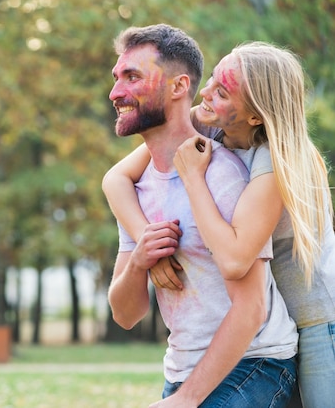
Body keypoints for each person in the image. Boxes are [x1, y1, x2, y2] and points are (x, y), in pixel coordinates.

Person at [103, 41, 335, 408]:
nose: (205, 94)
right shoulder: (209, 120)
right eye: (211, 79)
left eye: (222, 91)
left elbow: (234, 261)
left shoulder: (275, 161)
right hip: (264, 321)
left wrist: (193, 179)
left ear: (255, 116)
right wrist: (149, 247)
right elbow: (114, 179)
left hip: (316, 316)